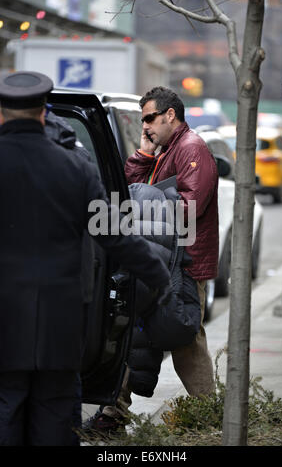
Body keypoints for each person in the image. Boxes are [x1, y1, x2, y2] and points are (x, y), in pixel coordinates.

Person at [0, 72, 171, 446]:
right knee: (57, 416)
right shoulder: (76, 168)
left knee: (5, 407)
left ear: (1, 115)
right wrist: (157, 274)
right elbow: (116, 236)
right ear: (44, 113)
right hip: (59, 321)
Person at [84, 86, 219, 433]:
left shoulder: (191, 149)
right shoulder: (165, 149)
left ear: (170, 115)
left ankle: (209, 413)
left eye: (150, 118)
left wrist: (148, 205)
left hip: (184, 264)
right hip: (162, 258)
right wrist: (143, 155)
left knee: (184, 337)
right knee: (136, 331)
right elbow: (125, 192)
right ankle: (115, 411)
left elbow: (190, 207)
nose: (145, 126)